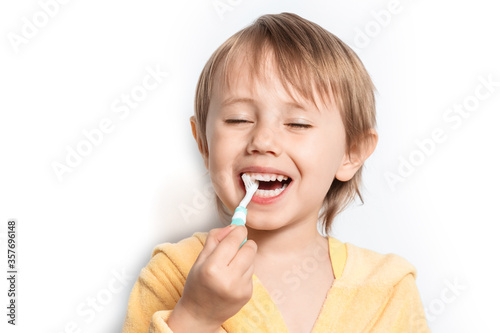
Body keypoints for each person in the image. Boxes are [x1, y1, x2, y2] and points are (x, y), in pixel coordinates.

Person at [122, 12, 430, 333]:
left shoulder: (389, 287)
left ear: (351, 152)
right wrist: (197, 316)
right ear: (204, 144)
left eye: (297, 123)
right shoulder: (171, 273)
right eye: (238, 119)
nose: (263, 141)